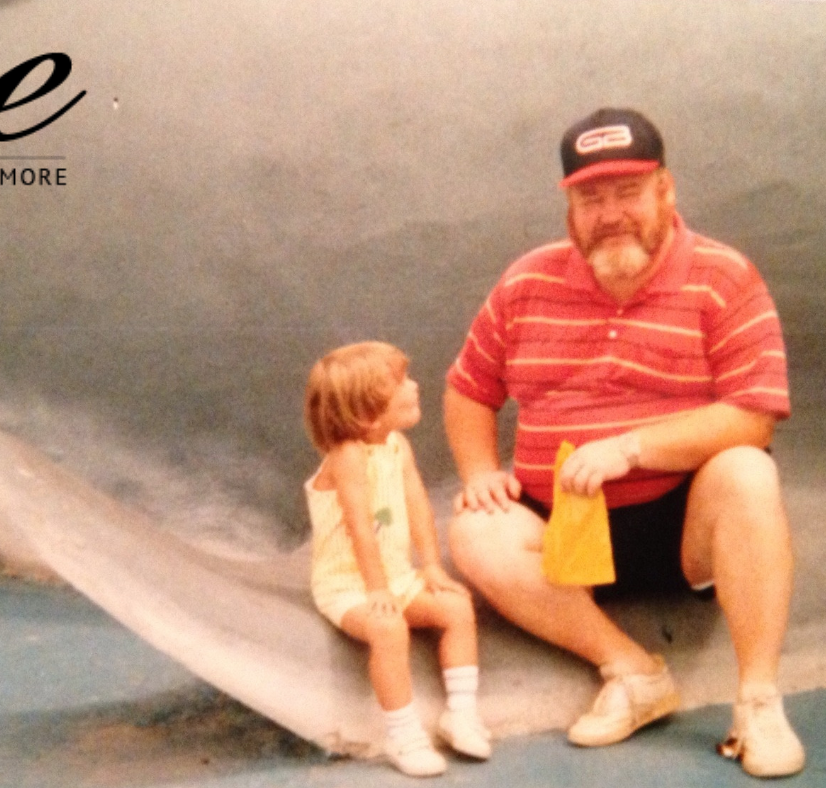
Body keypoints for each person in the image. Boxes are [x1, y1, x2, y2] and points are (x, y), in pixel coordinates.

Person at [444, 107, 805, 778]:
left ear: (666, 190)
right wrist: (477, 470)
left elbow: (753, 417)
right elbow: (468, 388)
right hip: (561, 530)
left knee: (748, 471)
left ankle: (758, 702)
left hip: (681, 525)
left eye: (628, 192)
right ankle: (633, 672)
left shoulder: (724, 276)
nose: (610, 214)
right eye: (591, 198)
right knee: (473, 529)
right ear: (570, 211)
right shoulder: (525, 281)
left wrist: (629, 448)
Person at [304, 341, 491, 777]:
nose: (415, 386)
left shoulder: (397, 446)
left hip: (396, 577)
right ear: (367, 414)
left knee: (456, 607)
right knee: (388, 629)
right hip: (348, 585)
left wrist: (431, 566)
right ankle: (403, 734)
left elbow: (418, 505)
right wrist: (376, 590)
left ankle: (461, 713)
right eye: (402, 383)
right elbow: (358, 525)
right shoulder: (347, 457)